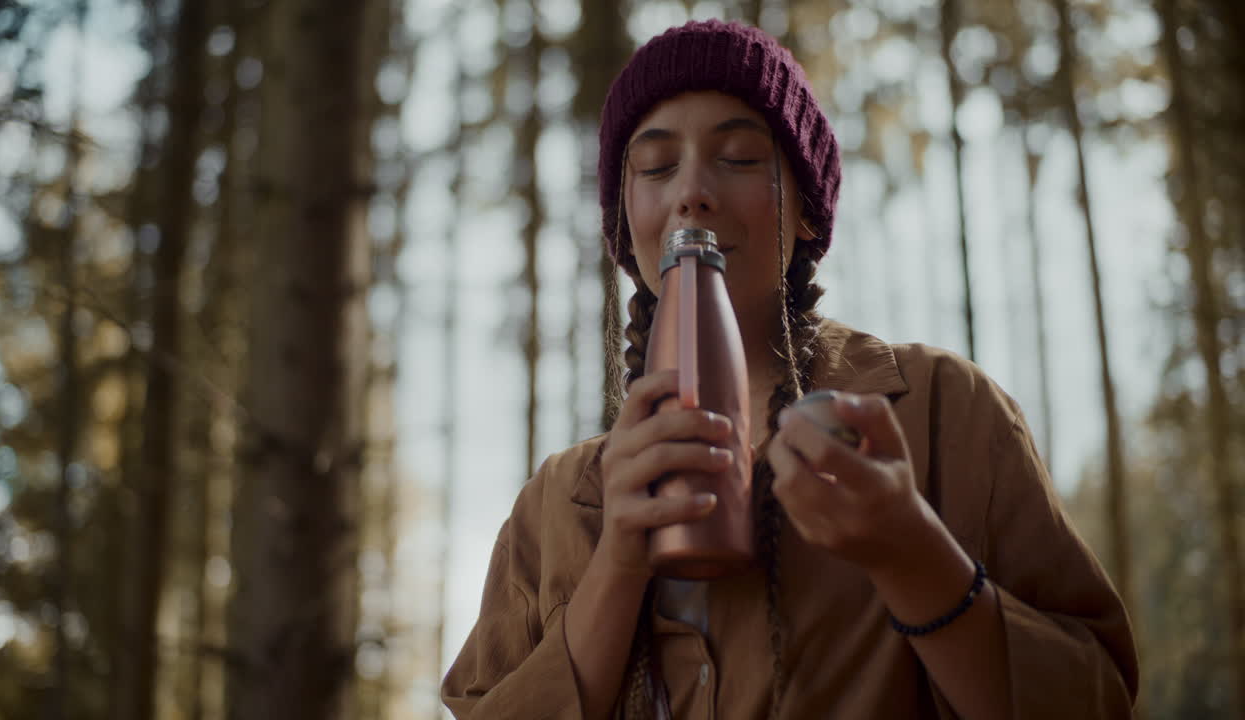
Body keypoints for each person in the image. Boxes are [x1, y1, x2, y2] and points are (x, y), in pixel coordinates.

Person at [441, 18, 1138, 720]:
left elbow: (1099, 701)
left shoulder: (941, 412)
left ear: (805, 207)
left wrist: (911, 554)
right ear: (626, 224)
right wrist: (617, 565)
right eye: (654, 168)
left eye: (740, 156)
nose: (691, 191)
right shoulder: (557, 505)